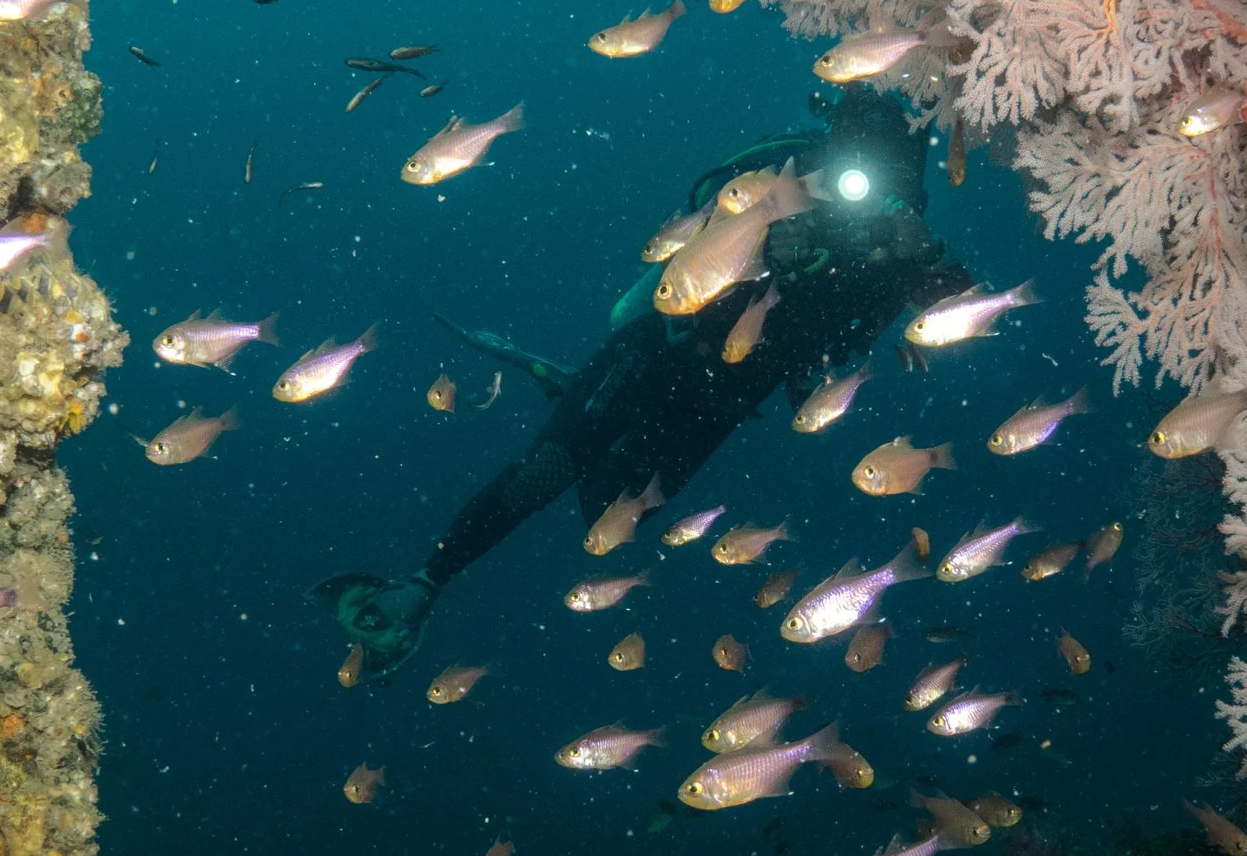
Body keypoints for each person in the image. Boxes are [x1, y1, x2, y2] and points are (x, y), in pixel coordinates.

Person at [314, 88, 971, 673]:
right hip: (663, 346)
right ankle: (425, 582)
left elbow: (957, 316)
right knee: (545, 471)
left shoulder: (901, 234)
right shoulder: (788, 166)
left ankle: (568, 390)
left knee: (613, 516)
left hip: (725, 399)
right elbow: (699, 203)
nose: (877, 179)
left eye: (900, 162)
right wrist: (764, 229)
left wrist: (930, 266)